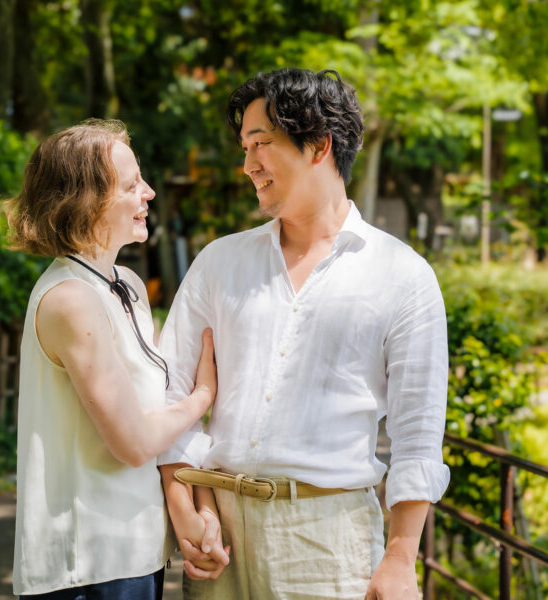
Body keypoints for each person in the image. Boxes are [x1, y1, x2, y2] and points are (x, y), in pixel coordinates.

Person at [158, 68, 450, 599]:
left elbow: (418, 435)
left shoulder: (403, 275)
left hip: (328, 542)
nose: (248, 164)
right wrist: (187, 510)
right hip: (217, 535)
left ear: (319, 145)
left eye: (261, 143)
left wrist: (400, 558)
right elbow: (169, 392)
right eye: (245, 148)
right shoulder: (219, 263)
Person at [5, 119, 219, 600]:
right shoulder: (70, 299)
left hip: (136, 552)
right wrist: (202, 396)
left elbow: (153, 415)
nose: (148, 193)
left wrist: (189, 507)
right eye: (130, 185)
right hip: (87, 565)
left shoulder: (127, 286)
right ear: (85, 202)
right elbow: (135, 442)